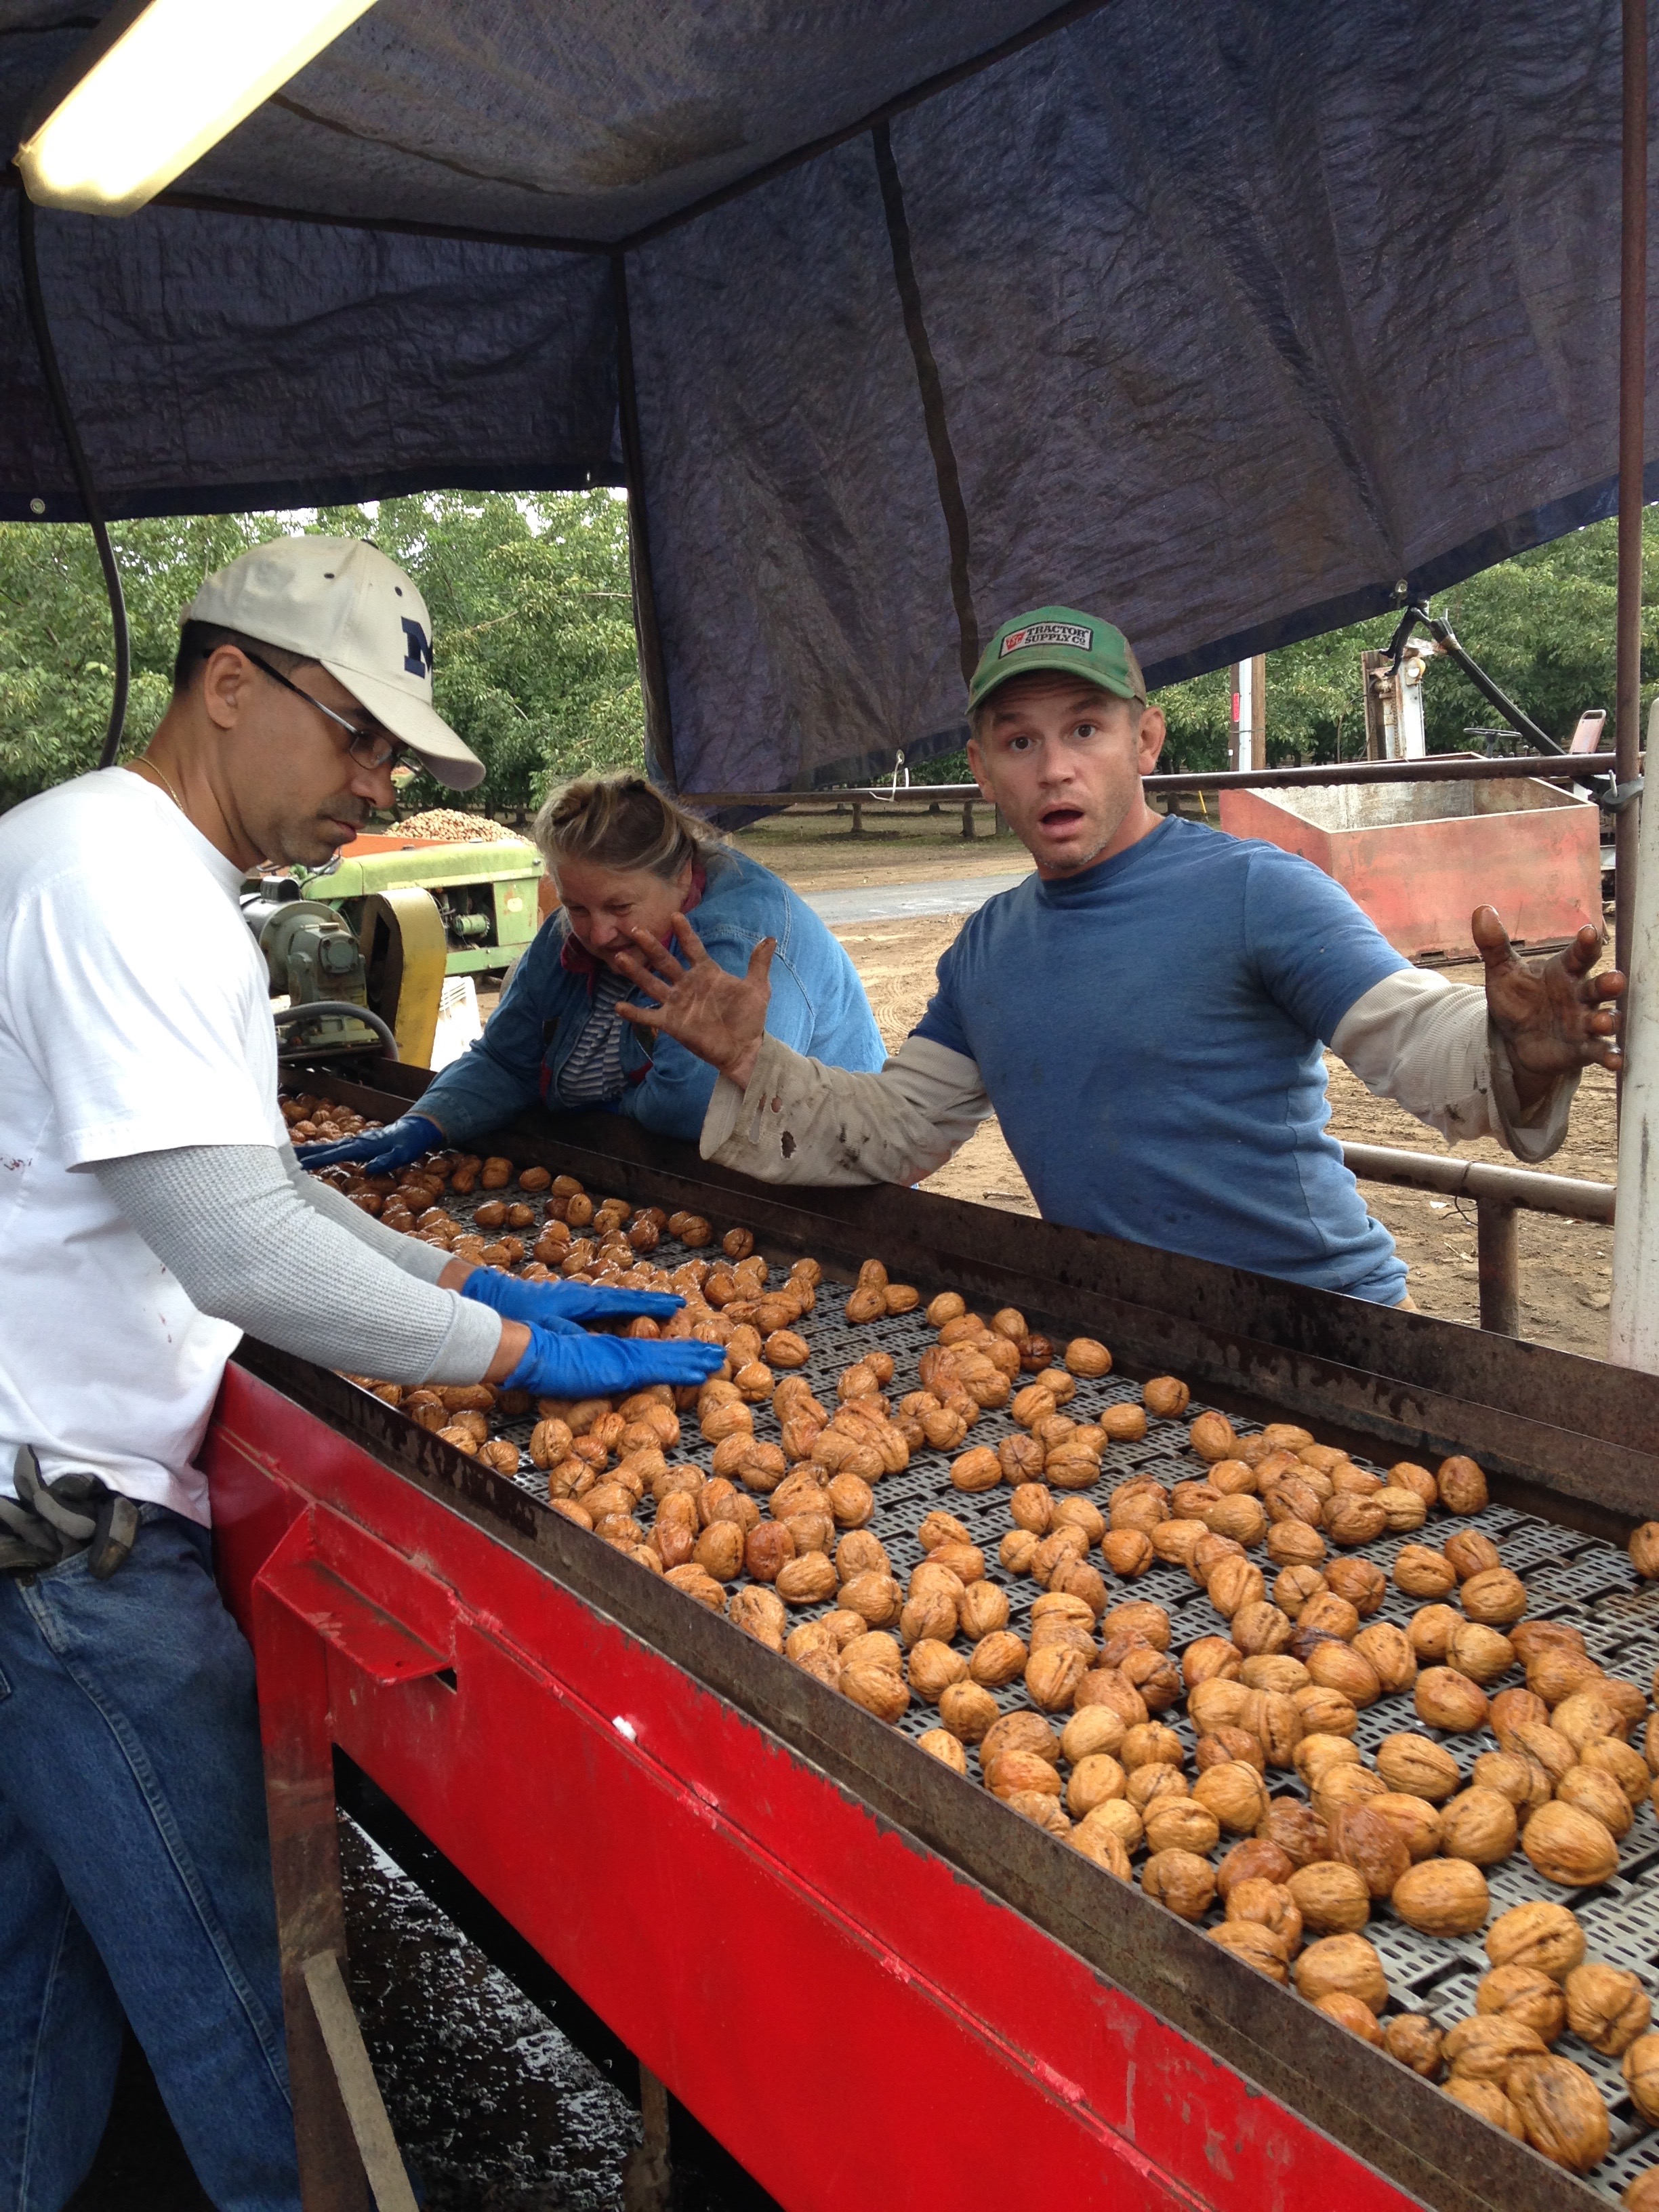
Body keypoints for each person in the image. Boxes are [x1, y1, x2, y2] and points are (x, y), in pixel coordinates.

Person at [0, 535, 723, 2212]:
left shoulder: (94, 848)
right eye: (359, 736)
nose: (377, 784)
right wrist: (511, 1353)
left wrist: (465, 1277)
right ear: (228, 682)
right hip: (64, 1549)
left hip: (28, 1505)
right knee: (248, 2008)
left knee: (37, 1985)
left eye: (396, 754)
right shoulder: (123, 885)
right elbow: (242, 1255)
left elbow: (245, 1191)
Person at [606, 605, 1623, 1306]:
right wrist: (754, 1061)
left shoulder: (1255, 892)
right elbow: (898, 1129)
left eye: (1085, 729)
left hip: (1326, 1325)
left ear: (1145, 742)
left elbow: (1407, 1032)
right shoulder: (987, 951)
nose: (1055, 768)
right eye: (1020, 742)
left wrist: (1508, 1045)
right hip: (1129, 1333)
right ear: (982, 770)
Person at [296, 773, 885, 1180]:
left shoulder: (737, 943)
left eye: (620, 908)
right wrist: (428, 1119)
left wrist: (588, 1109)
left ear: (683, 877)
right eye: (576, 906)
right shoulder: (570, 935)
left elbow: (699, 1110)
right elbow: (507, 1059)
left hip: (825, 1173)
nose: (598, 933)